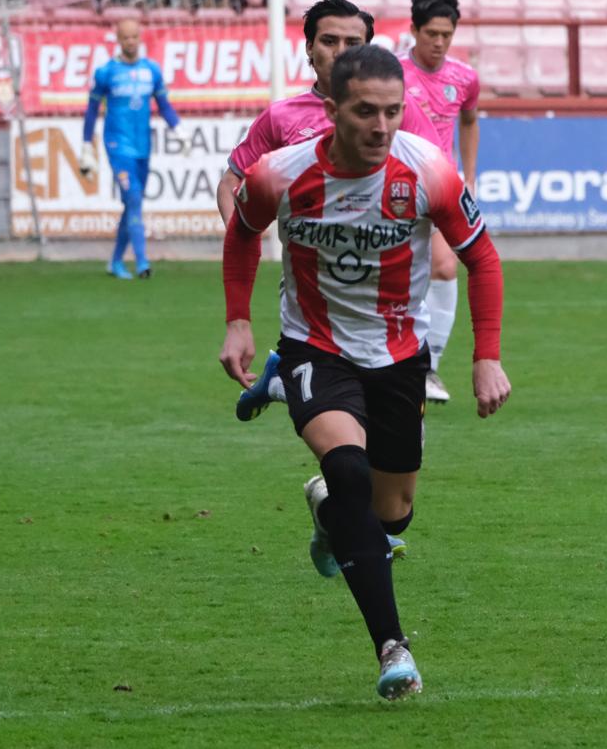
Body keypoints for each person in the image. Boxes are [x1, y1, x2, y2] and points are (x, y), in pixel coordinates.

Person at [219, 44, 511, 701]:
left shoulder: (427, 170)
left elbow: (482, 258)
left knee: (391, 515)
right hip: (314, 348)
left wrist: (486, 355)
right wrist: (238, 321)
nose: (381, 127)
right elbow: (241, 234)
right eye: (364, 113)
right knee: (349, 470)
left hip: (400, 358)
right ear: (330, 109)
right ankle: (392, 648)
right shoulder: (280, 174)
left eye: (392, 111)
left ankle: (328, 512)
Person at [218, 0, 440, 422]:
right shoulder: (281, 118)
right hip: (314, 278)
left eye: (353, 43)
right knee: (341, 410)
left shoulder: (399, 112)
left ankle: (282, 382)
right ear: (309, 48)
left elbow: (436, 177)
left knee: (392, 434)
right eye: (329, 41)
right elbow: (231, 182)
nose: (341, 52)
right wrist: (241, 236)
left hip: (391, 284)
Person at [398, 0, 481, 405]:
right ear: (414, 30)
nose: (439, 42)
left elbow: (469, 121)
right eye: (431, 33)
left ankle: (428, 368)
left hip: (440, 186)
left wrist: (469, 176)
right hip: (394, 188)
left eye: (447, 34)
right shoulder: (392, 74)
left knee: (447, 267)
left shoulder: (464, 78)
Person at [80, 19, 181, 280]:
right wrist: (86, 145)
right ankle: (142, 262)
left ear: (140, 37)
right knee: (133, 198)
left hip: (142, 147)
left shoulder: (151, 71)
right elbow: (91, 111)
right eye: (126, 37)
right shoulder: (106, 72)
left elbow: (164, 105)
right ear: (118, 40)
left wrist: (179, 129)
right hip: (117, 146)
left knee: (131, 203)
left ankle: (115, 262)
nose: (131, 41)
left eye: (134, 36)